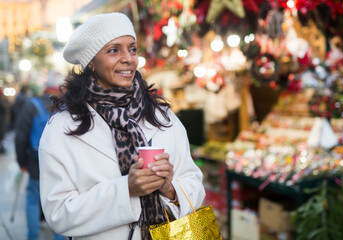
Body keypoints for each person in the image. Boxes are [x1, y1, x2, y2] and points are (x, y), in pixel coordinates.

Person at [39, 12, 205, 240]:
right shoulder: (62, 128)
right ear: (91, 63)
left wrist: (170, 190)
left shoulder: (162, 117)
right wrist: (126, 189)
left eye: (133, 48)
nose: (129, 58)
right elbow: (58, 214)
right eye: (113, 50)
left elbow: (194, 182)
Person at [15, 71, 66, 240]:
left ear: (46, 85)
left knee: (32, 199)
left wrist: (22, 162)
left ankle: (33, 236)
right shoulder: (67, 106)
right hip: (61, 162)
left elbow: (21, 136)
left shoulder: (32, 105)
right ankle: (59, 236)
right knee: (60, 201)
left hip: (36, 161)